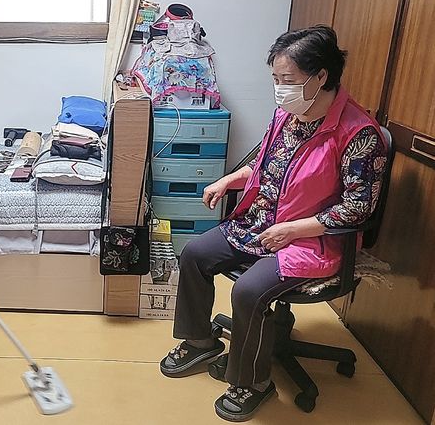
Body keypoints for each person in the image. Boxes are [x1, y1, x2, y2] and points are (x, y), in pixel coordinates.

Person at [159, 25, 387, 422]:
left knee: (249, 289)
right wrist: (232, 178)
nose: (280, 90)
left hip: (311, 239)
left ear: (321, 76)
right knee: (194, 253)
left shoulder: (359, 134)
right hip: (260, 223)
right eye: (276, 80)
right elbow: (267, 165)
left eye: (289, 80)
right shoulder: (289, 114)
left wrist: (295, 229)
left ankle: (252, 382)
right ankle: (199, 341)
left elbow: (358, 208)